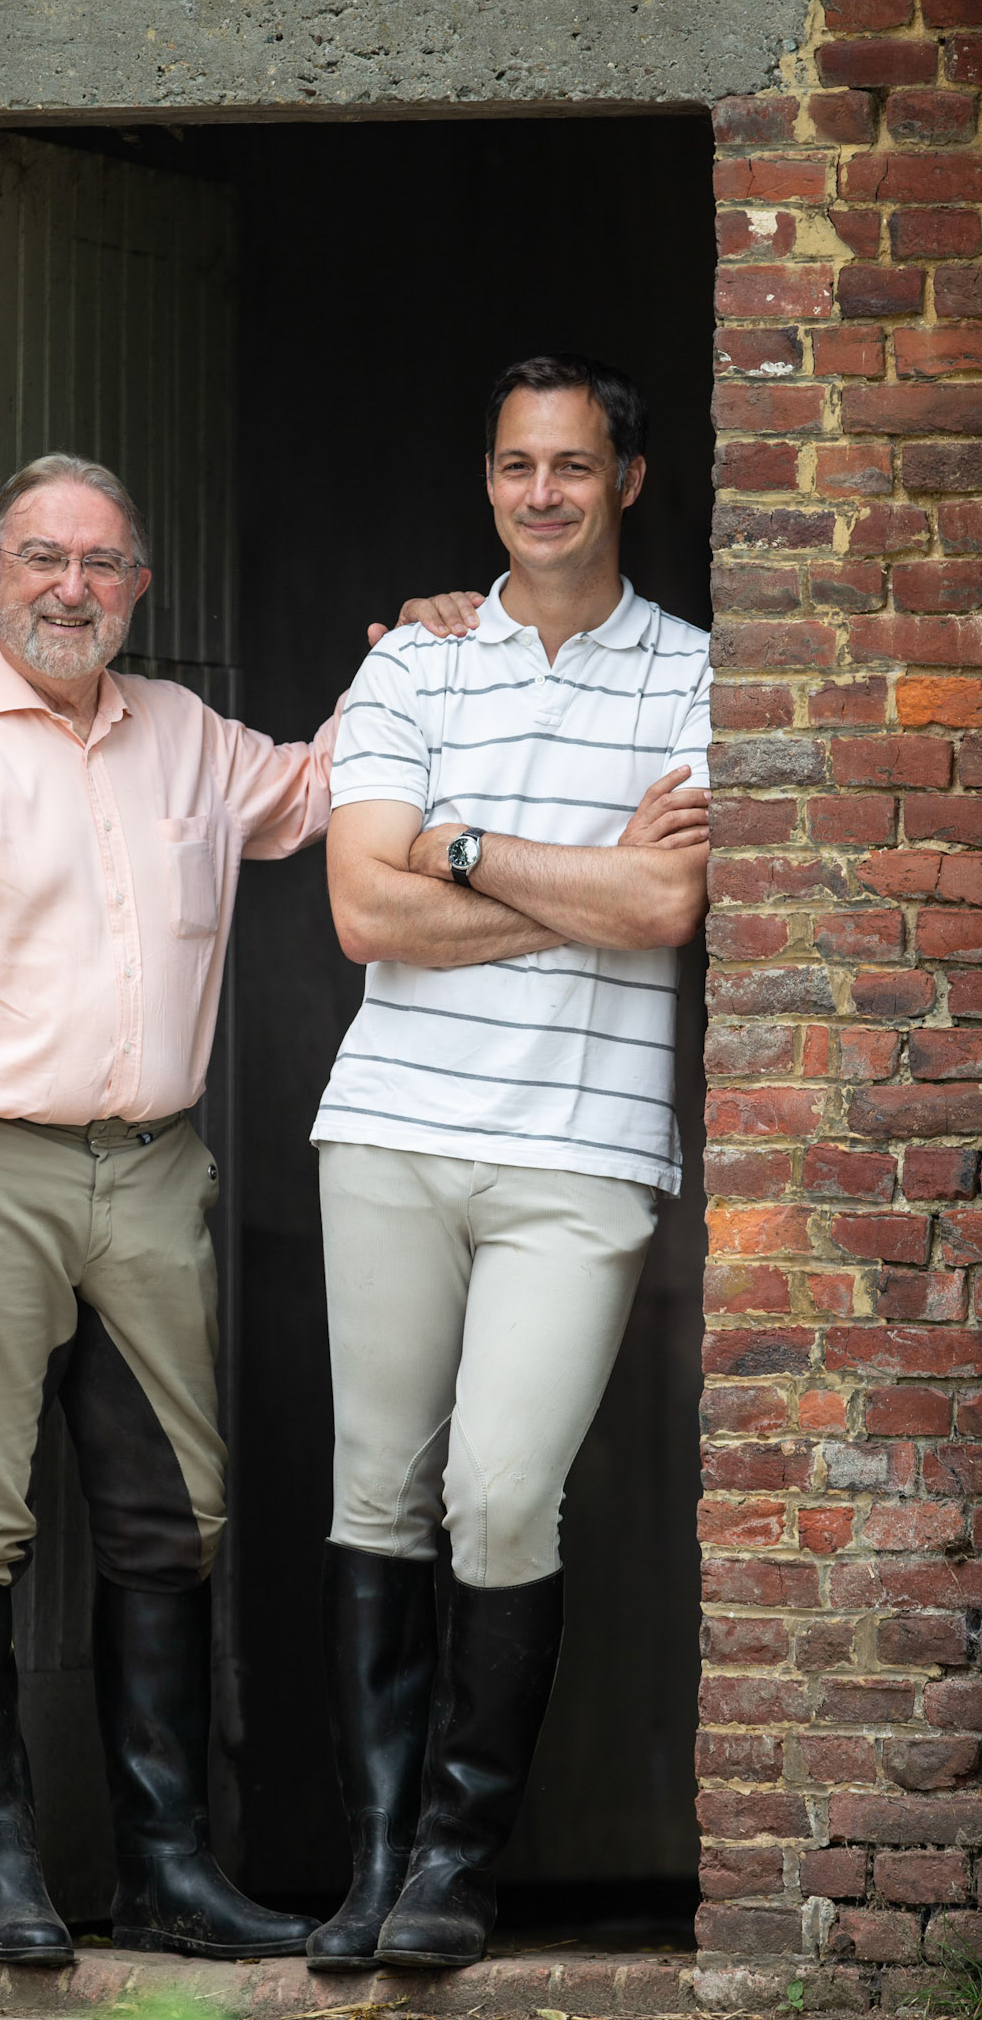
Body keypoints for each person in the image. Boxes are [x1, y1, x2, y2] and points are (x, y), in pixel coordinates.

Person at [0, 451, 460, 1968]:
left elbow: (315, 793)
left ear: (138, 590)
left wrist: (417, 657)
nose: (70, 588)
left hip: (153, 1172)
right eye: (41, 559)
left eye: (102, 565)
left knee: (170, 1520)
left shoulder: (181, 734)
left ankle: (168, 1872)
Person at [306, 356, 713, 1972]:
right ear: (486, 481)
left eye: (569, 465)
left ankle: (460, 1860)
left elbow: (665, 912)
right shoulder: (415, 659)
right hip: (391, 1125)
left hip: (583, 1149)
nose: (538, 494)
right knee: (374, 1496)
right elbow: (358, 911)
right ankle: (377, 1869)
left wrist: (460, 844)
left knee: (496, 1491)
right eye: (511, 467)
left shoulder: (696, 677)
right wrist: (578, 880)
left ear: (626, 479)